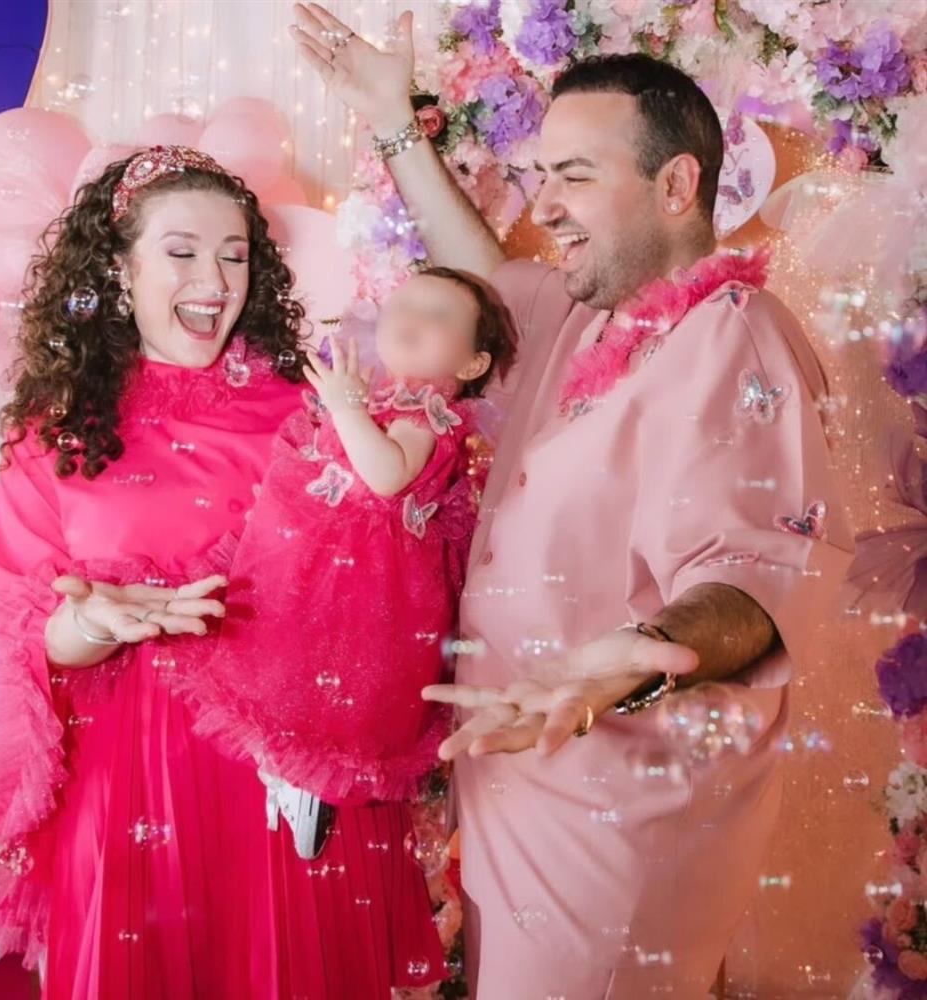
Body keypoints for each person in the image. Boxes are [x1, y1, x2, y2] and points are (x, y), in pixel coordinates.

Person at [291, 6, 854, 996]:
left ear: (676, 186)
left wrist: (632, 660)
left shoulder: (733, 334)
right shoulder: (580, 310)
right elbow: (482, 284)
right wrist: (392, 122)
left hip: (615, 828)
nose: (546, 205)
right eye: (543, 174)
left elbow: (754, 572)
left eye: (576, 177)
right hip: (518, 789)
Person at [0, 145, 448, 1000]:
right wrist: (95, 623)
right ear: (119, 267)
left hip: (284, 780)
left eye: (234, 255)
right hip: (128, 780)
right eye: (181, 251)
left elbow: (382, 595)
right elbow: (34, 640)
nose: (214, 280)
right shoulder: (54, 433)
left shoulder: (313, 412)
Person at [179, 267, 514, 859]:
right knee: (277, 662)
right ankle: (282, 768)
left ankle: (308, 785)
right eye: (403, 304)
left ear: (471, 364)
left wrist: (345, 409)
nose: (412, 318)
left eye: (438, 316)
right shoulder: (382, 399)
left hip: (363, 586)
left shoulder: (427, 414)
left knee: (328, 688)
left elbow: (386, 476)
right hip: (310, 564)